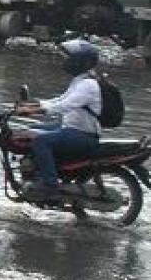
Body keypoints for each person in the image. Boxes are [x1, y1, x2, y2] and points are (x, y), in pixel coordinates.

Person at [17, 39, 104, 201]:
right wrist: (32, 105)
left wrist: (35, 110)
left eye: (70, 58)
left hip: (83, 134)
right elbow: (59, 100)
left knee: (41, 141)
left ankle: (50, 187)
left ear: (81, 61)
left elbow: (65, 105)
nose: (66, 61)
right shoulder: (80, 81)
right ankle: (36, 172)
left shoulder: (88, 85)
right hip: (71, 127)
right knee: (30, 130)